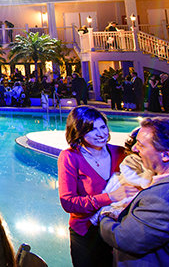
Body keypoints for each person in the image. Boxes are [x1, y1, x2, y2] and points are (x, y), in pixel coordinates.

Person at [100, 118, 169, 266]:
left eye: (141, 145)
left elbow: (124, 238)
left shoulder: (160, 199)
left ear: (166, 155)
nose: (134, 149)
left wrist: (106, 215)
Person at [57, 106, 131, 267]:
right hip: (86, 232)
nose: (101, 134)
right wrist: (109, 197)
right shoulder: (70, 157)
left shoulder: (120, 153)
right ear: (78, 132)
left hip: (116, 230)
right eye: (91, 129)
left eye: (103, 127)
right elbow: (68, 202)